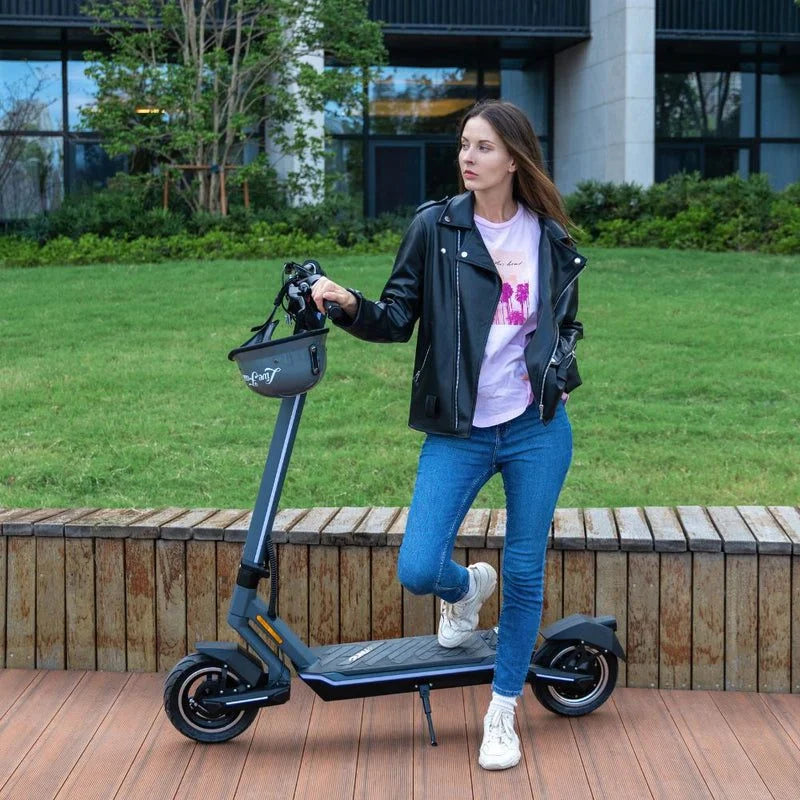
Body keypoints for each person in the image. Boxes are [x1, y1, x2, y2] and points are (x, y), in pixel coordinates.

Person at [311, 99, 586, 771]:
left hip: (536, 428)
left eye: (484, 146)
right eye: (465, 144)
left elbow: (565, 324)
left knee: (525, 571)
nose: (468, 157)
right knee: (418, 568)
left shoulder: (547, 237)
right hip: (459, 429)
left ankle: (502, 710)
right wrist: (349, 304)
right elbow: (396, 317)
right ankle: (466, 590)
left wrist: (558, 368)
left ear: (514, 159)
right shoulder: (436, 227)